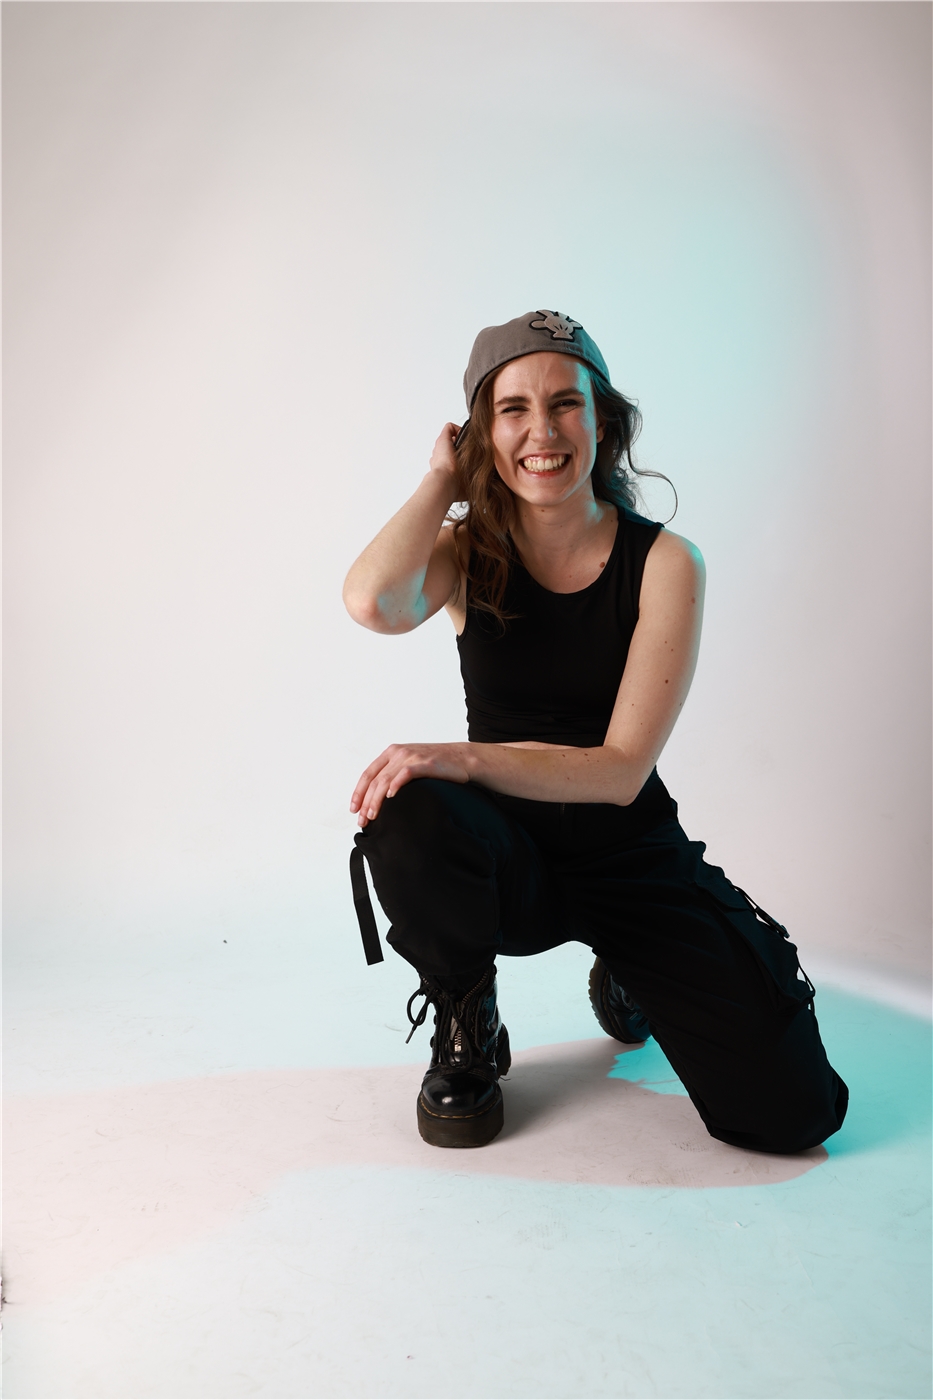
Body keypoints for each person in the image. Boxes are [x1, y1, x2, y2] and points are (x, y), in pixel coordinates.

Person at [343, 309, 848, 1154]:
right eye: (512, 409)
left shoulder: (665, 562)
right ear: (482, 434)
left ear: (602, 422)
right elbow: (372, 602)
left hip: (627, 854)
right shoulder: (467, 553)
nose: (542, 431)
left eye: (565, 404)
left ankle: (630, 970)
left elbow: (618, 771)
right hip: (507, 860)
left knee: (791, 1115)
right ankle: (468, 1017)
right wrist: (440, 481)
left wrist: (461, 756)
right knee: (408, 807)